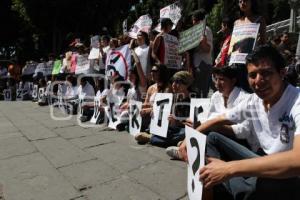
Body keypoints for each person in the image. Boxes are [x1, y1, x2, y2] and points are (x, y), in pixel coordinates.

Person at [179, 45, 300, 200]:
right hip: (261, 159)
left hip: (289, 175)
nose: (258, 81)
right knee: (212, 138)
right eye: (253, 75)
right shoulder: (253, 101)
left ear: (282, 73)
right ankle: (225, 184)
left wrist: (229, 169)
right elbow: (218, 119)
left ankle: (234, 187)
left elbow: (297, 161)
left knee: (263, 186)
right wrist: (189, 137)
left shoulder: (296, 101)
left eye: (266, 73)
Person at [135, 71, 193, 147]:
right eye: (173, 82)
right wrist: (155, 111)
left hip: (183, 129)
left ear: (186, 84)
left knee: (185, 133)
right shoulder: (175, 97)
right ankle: (179, 143)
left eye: (178, 82)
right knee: (166, 130)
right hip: (174, 129)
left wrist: (177, 122)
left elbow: (193, 125)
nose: (173, 85)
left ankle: (151, 138)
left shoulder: (193, 99)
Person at [190, 9, 213, 98]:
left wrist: (202, 43)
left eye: (193, 20)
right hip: (197, 65)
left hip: (203, 65)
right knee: (197, 93)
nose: (192, 22)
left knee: (202, 95)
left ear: (197, 20)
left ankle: (202, 111)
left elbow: (207, 49)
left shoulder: (205, 30)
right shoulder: (194, 31)